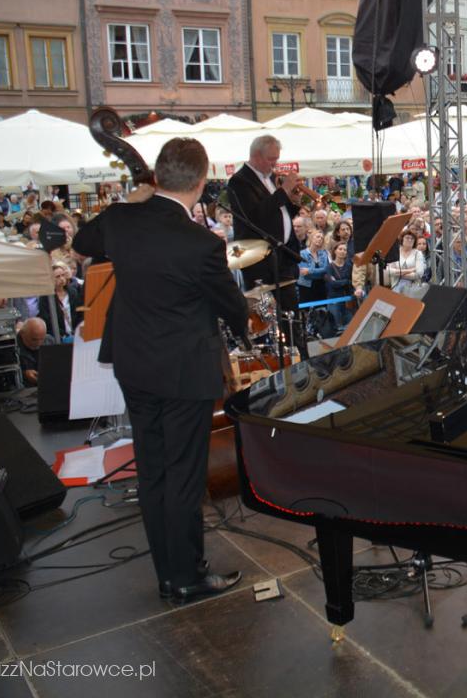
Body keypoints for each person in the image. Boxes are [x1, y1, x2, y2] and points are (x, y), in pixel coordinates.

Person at [72, 137, 249, 604]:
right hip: (184, 372)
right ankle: (188, 576)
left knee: (152, 472)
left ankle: (168, 574)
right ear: (201, 181)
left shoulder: (120, 221)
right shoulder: (200, 244)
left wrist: (131, 199)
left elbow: (80, 241)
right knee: (185, 475)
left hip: (134, 365)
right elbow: (232, 307)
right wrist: (242, 318)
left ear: (156, 175)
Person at [226, 134, 309, 357]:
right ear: (256, 156)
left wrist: (293, 203)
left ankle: (300, 356)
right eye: (271, 159)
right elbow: (255, 217)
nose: (275, 164)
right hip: (259, 261)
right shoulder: (239, 182)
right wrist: (283, 192)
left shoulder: (270, 178)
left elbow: (278, 213)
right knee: (269, 324)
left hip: (283, 258)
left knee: (292, 321)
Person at [386, 230, 428, 298]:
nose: (410, 240)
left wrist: (398, 274)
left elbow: (419, 274)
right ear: (402, 239)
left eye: (412, 238)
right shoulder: (395, 252)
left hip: (413, 287)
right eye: (407, 238)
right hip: (395, 285)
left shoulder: (418, 253)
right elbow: (388, 270)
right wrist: (410, 270)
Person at [16, 317, 52, 387]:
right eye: (34, 339)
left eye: (42, 339)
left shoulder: (49, 341)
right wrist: (24, 374)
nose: (38, 343)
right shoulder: (13, 347)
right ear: (22, 333)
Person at [297, 230, 329, 305]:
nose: (320, 239)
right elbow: (305, 274)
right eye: (318, 237)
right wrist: (319, 272)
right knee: (307, 311)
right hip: (306, 287)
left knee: (322, 311)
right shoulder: (302, 254)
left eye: (322, 238)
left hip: (321, 287)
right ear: (311, 238)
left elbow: (326, 269)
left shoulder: (323, 253)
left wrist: (310, 271)